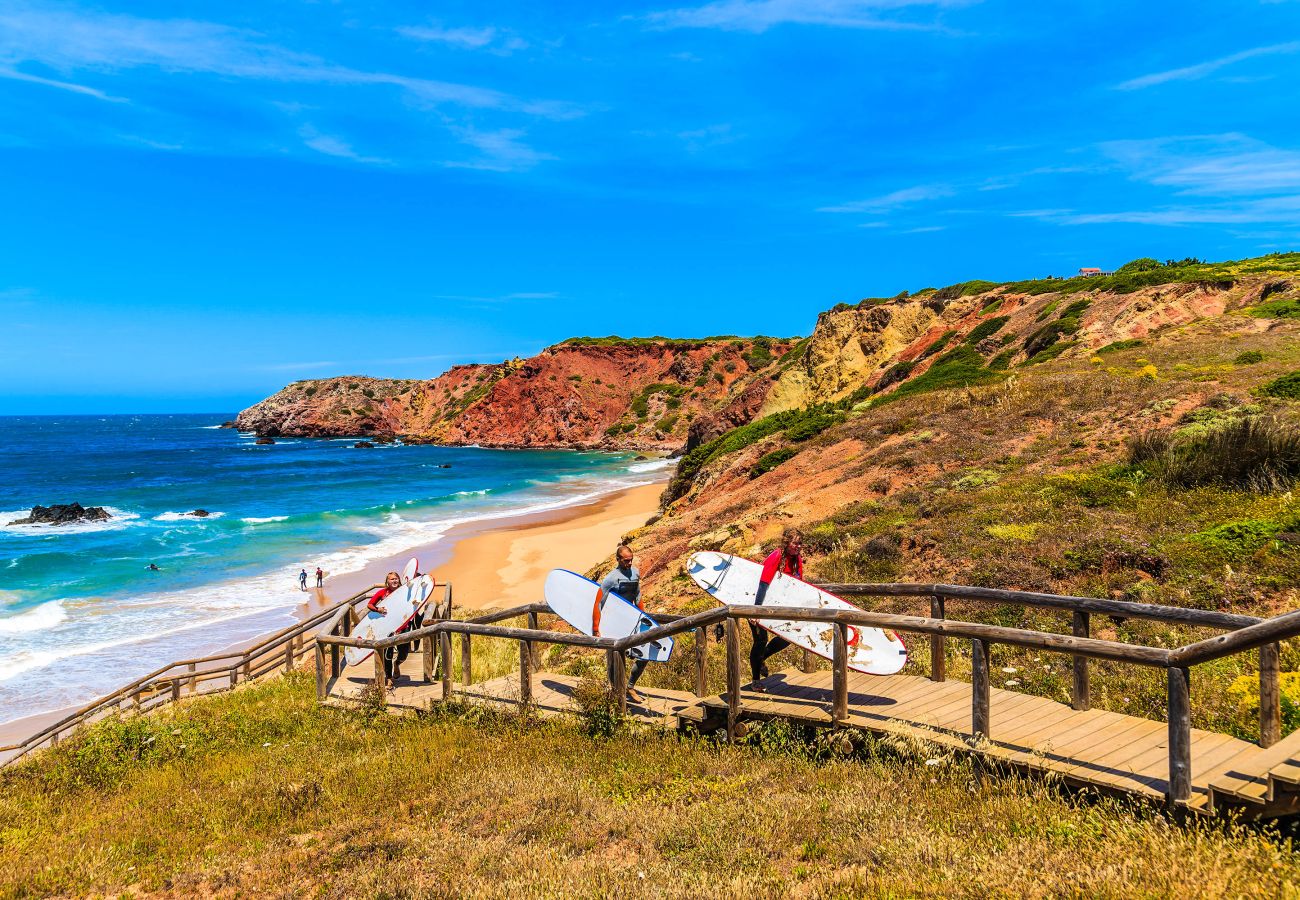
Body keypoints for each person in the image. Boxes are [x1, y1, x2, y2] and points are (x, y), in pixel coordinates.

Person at [749, 527, 803, 692]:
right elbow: (763, 584)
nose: (798, 546)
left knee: (788, 637)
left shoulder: (797, 559)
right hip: (757, 602)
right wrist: (756, 612)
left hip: (778, 605)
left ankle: (762, 658)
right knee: (760, 640)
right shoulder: (777, 556)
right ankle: (755, 680)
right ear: (787, 542)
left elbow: (798, 585)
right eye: (795, 543)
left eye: (800, 543)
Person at [599, 544, 649, 704]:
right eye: (626, 561)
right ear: (618, 560)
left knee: (644, 654)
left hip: (632, 620)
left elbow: (638, 595)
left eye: (631, 560)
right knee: (615, 658)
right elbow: (600, 603)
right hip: (614, 623)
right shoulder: (610, 579)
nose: (629, 563)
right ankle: (615, 692)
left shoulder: (635, 572)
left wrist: (644, 615)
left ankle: (630, 686)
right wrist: (598, 627)